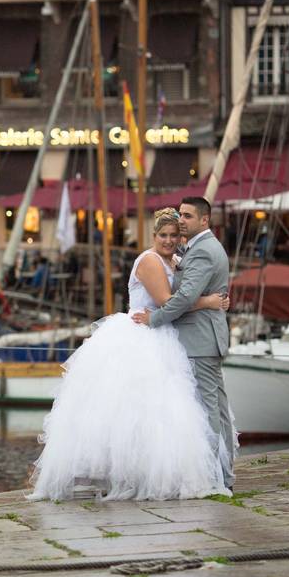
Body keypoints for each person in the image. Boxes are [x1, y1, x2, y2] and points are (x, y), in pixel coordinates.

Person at [28, 207, 232, 501]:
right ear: (153, 235)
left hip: (164, 336)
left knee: (162, 414)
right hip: (141, 334)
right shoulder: (149, 261)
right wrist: (210, 302)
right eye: (163, 235)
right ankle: (121, 475)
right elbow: (167, 301)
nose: (168, 240)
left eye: (174, 235)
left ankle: (157, 474)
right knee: (131, 412)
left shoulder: (173, 260)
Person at [132, 197, 236, 492]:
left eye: (187, 217)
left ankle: (215, 479)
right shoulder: (187, 251)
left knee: (207, 413)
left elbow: (184, 298)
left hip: (198, 339)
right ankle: (222, 476)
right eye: (180, 216)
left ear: (204, 220)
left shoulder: (202, 251)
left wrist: (154, 319)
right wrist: (213, 301)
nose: (181, 222)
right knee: (215, 411)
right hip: (196, 338)